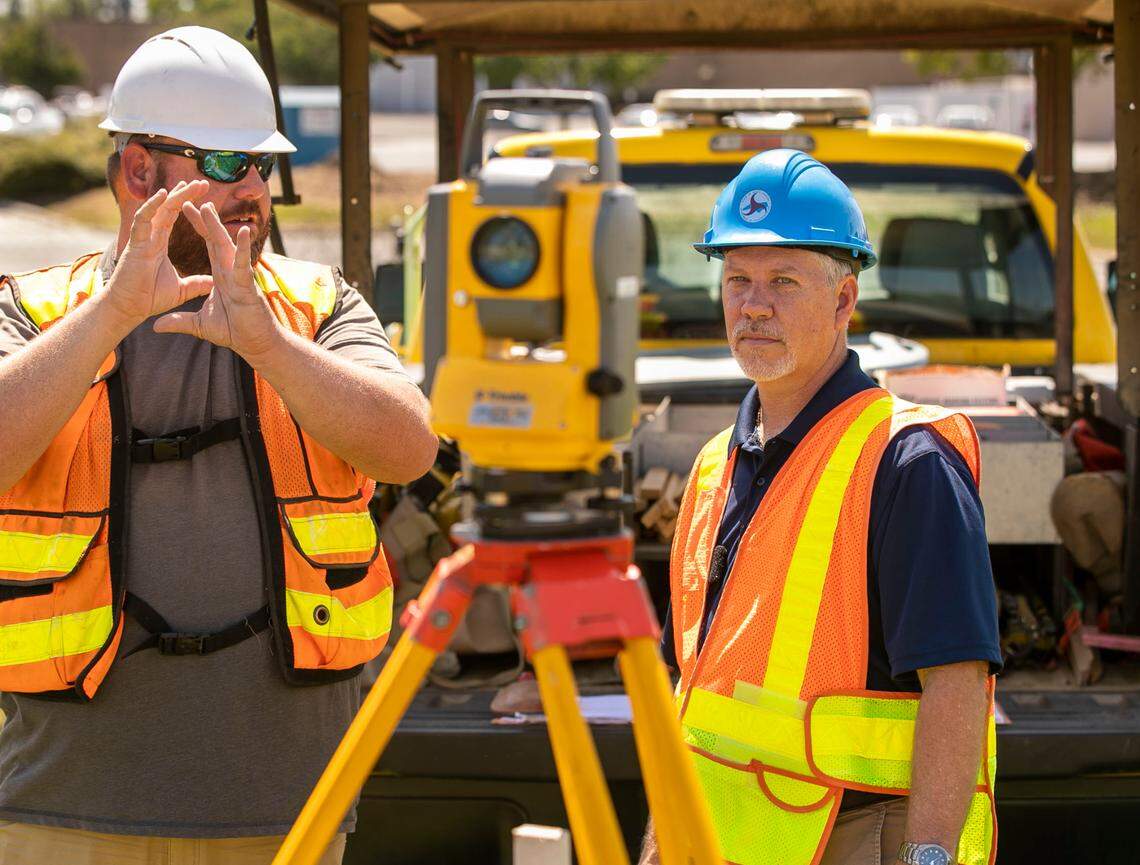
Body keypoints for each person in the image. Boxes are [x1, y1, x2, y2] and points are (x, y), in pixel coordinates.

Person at [0, 26, 437, 865]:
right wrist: (113, 315)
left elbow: (408, 448)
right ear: (138, 171)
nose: (256, 193)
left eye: (265, 167)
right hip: (61, 811)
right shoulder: (40, 312)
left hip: (286, 813)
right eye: (231, 165)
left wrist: (268, 344)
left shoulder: (315, 307)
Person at [641, 149, 1001, 865]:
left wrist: (929, 858)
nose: (754, 305)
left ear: (843, 301)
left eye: (783, 281)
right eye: (737, 279)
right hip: (724, 838)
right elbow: (696, 691)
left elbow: (959, 685)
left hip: (858, 835)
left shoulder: (909, 461)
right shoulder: (717, 462)